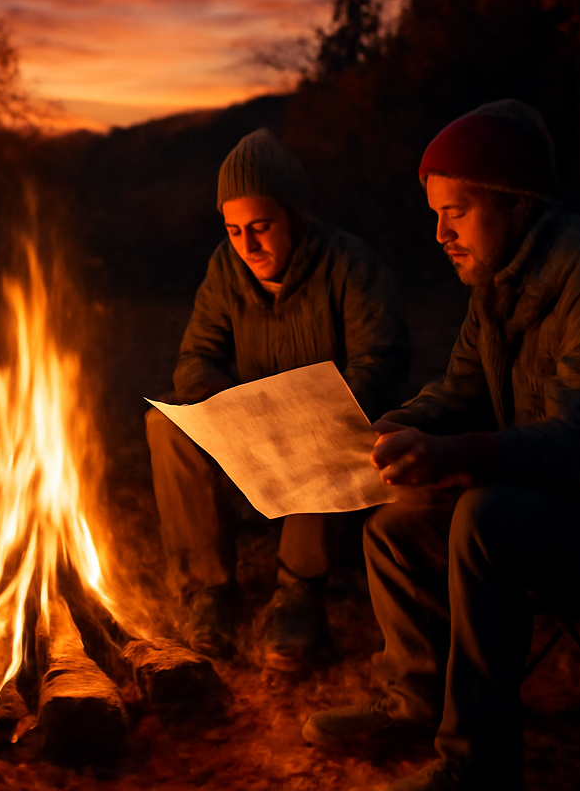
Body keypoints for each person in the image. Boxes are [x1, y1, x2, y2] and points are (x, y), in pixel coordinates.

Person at [301, 101, 580, 790]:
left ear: (517, 204)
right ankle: (414, 700)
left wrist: (456, 457)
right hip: (574, 512)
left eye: (456, 212)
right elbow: (459, 393)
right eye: (436, 214)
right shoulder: (498, 286)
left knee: (484, 516)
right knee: (397, 526)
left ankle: (477, 766)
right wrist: (377, 432)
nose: (439, 233)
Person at [146, 129, 410, 669]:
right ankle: (208, 591)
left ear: (294, 216)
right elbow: (195, 356)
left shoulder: (348, 264)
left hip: (332, 432)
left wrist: (313, 404)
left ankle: (298, 594)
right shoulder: (226, 269)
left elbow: (381, 360)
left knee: (328, 420)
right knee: (165, 425)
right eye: (234, 230)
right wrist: (225, 404)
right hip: (254, 424)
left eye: (261, 227)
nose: (248, 246)